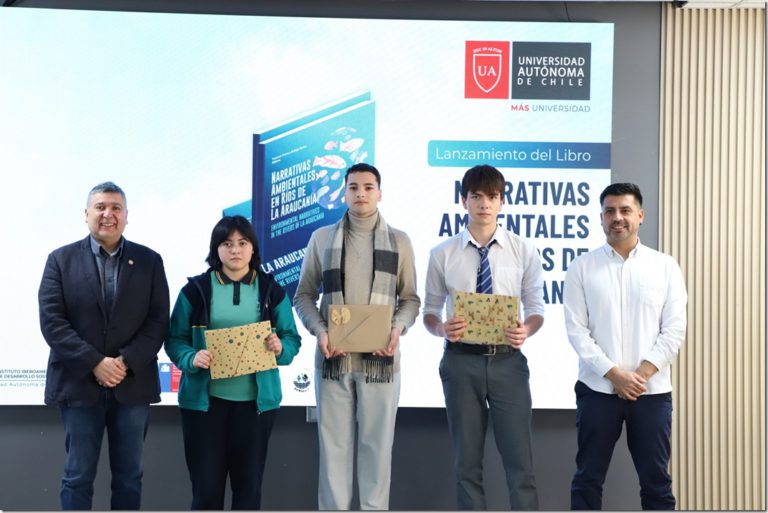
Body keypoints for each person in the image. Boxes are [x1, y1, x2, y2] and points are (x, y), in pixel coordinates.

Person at [293, 163, 420, 510]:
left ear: (380, 193)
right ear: (344, 193)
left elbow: (410, 300)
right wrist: (320, 330)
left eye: (367, 187)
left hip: (381, 361)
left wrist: (397, 328)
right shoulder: (322, 238)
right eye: (353, 187)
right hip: (333, 358)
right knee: (333, 449)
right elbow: (303, 295)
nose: (360, 193)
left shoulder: (400, 241)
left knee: (377, 449)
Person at [38, 181, 170, 510]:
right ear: (86, 214)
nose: (108, 214)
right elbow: (53, 322)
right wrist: (95, 362)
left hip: (132, 384)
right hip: (79, 385)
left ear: (126, 216)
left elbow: (158, 321)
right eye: (100, 207)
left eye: (115, 208)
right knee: (77, 476)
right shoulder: (60, 260)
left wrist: (123, 362)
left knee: (129, 478)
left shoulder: (150, 261)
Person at [423, 164, 544, 510]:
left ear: (502, 201)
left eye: (492, 196)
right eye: (476, 196)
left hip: (508, 361)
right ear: (464, 201)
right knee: (466, 464)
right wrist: (441, 328)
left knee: (521, 464)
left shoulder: (524, 250)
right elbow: (430, 311)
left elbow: (536, 309)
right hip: (460, 361)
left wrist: (526, 329)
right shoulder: (442, 253)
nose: (484, 204)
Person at [563, 182, 687, 510]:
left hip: (651, 393)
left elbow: (674, 329)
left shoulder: (665, 267)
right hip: (597, 390)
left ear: (640, 215)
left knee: (656, 483)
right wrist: (614, 375)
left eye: (625, 210)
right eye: (610, 211)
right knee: (587, 480)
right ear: (601, 218)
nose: (617, 217)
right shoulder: (581, 267)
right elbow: (576, 331)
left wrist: (639, 376)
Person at [164, 215, 301, 510]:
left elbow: (292, 339)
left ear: (253, 248)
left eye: (242, 242)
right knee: (206, 491)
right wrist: (191, 357)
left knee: (248, 490)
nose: (235, 250)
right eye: (227, 244)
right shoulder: (195, 291)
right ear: (216, 249)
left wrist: (280, 348)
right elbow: (174, 340)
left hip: (255, 407)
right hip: (205, 406)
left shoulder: (271, 290)